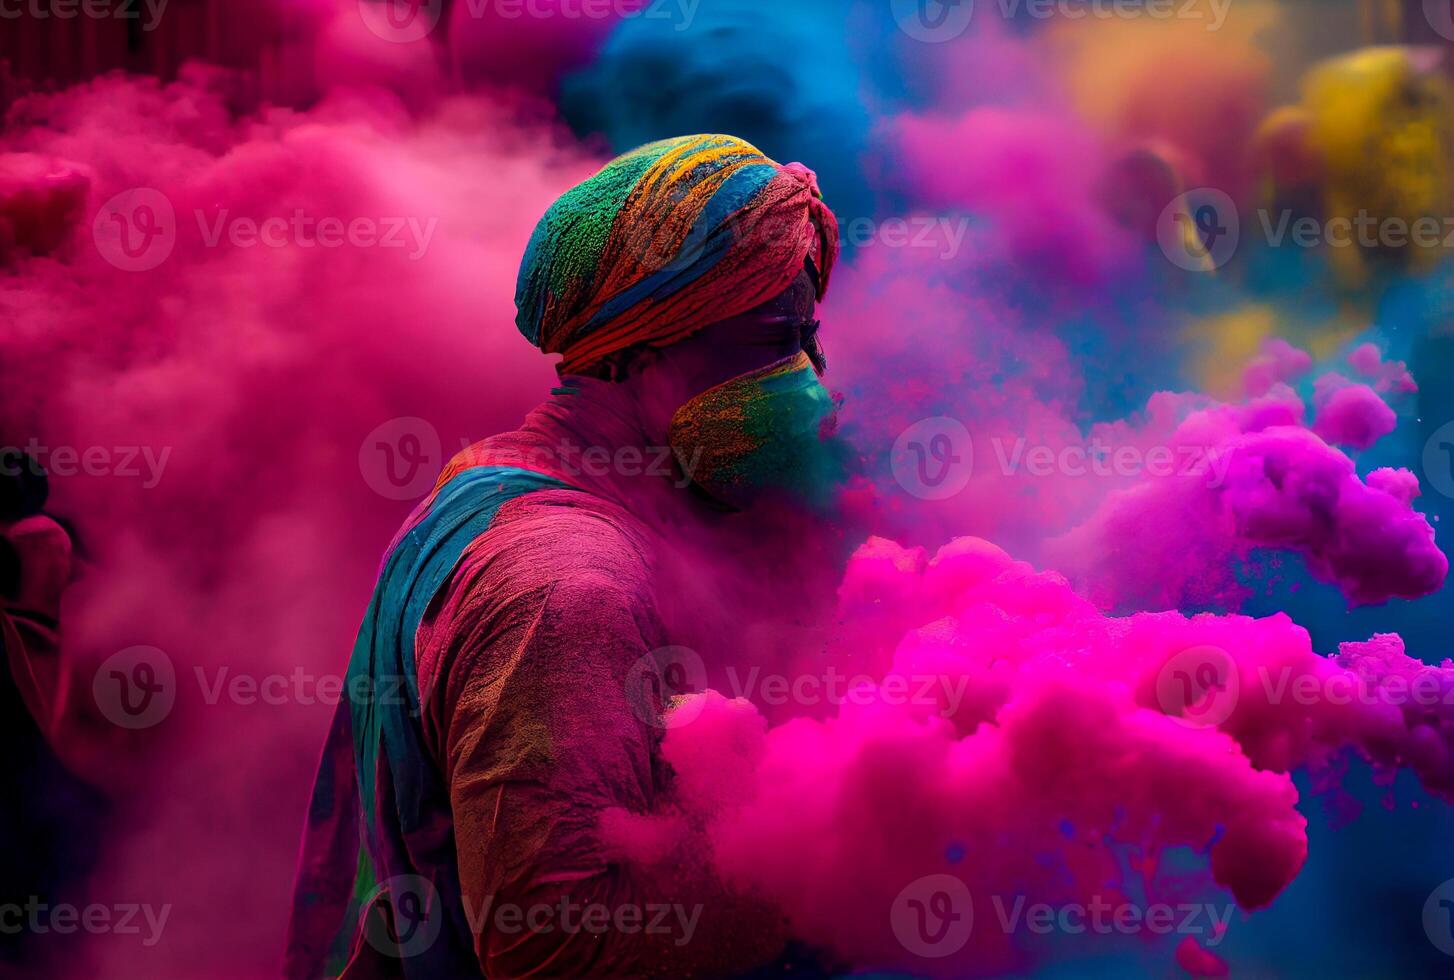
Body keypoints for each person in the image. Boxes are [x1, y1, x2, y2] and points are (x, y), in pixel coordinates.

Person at [286, 134, 844, 978]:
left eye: (807, 340)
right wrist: (851, 854)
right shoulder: (564, 582)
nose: (805, 377)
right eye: (769, 342)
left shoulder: (500, 475)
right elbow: (551, 938)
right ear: (635, 356)